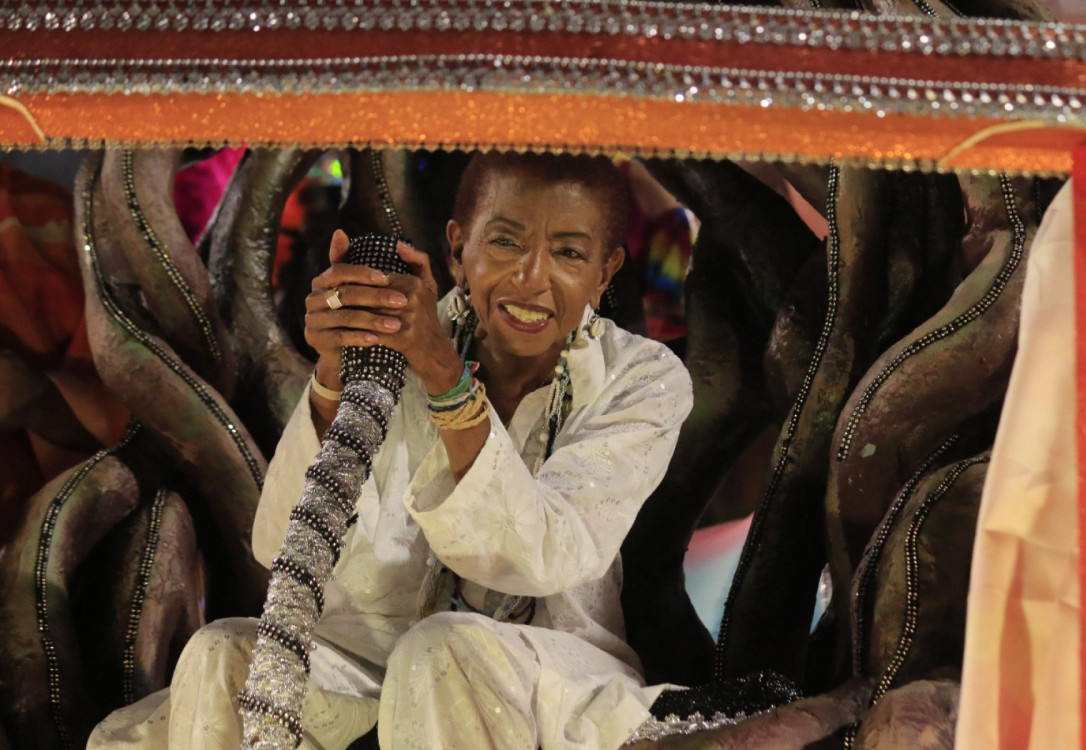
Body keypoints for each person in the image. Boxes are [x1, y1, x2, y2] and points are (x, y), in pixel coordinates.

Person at [87, 151, 693, 749]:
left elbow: (545, 555)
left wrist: (445, 379)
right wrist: (332, 377)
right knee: (222, 655)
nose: (532, 277)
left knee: (443, 652)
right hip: (377, 656)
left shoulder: (641, 378)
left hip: (557, 675)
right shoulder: (398, 334)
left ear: (605, 271)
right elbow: (282, 544)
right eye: (505, 244)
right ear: (458, 250)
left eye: (568, 253)